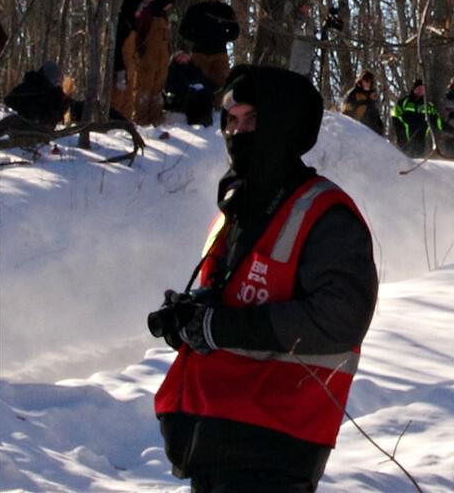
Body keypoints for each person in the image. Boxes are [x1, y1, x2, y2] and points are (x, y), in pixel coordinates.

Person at [150, 65, 378, 493]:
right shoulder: (236, 209)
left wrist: (220, 328)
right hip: (216, 435)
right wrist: (191, 319)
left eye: (252, 120)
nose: (238, 133)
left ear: (282, 124)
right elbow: (236, 300)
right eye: (231, 122)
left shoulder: (324, 213)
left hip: (275, 441)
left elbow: (339, 318)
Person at [179, 0, 240, 90]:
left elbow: (235, 31)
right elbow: (183, 30)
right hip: (199, 54)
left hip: (219, 54)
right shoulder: (195, 9)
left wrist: (222, 38)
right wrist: (197, 38)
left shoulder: (225, 10)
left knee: (222, 84)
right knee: (197, 84)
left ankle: (218, 106)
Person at [134, 0, 174, 126]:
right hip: (148, 57)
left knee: (157, 89)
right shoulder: (147, 13)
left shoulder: (163, 15)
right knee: (144, 89)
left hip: (162, 58)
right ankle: (141, 119)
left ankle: (155, 118)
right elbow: (138, 33)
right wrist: (139, 49)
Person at [4, 61, 69, 129]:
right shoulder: (32, 84)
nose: (56, 82)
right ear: (47, 76)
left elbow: (68, 106)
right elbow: (9, 99)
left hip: (43, 132)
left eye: (57, 80)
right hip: (22, 129)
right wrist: (32, 105)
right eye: (54, 79)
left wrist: (59, 111)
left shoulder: (56, 92)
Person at [111, 0, 143, 120]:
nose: (140, 12)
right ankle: (111, 126)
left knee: (128, 101)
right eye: (138, 9)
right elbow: (116, 49)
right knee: (116, 99)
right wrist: (119, 69)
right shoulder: (120, 24)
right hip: (119, 70)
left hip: (129, 70)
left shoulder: (132, 24)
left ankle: (125, 126)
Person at [391, 79, 442, 157]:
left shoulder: (429, 105)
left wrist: (451, 129)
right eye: (419, 88)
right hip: (405, 137)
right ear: (414, 89)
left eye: (422, 89)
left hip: (421, 138)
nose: (420, 91)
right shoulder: (405, 101)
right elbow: (395, 114)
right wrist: (400, 131)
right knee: (403, 156)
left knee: (418, 156)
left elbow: (437, 121)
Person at [164, 51, 213, 126]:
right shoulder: (171, 70)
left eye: (185, 56)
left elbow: (204, 81)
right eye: (180, 56)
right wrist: (187, 87)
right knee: (190, 94)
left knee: (206, 93)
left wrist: (201, 86)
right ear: (175, 59)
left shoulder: (196, 69)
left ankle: (206, 120)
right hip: (178, 98)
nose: (183, 58)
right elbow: (169, 86)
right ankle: (194, 121)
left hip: (198, 94)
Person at [341, 70, 383, 135]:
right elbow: (346, 112)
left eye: (370, 81)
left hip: (373, 131)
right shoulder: (353, 94)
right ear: (361, 81)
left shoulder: (372, 96)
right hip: (358, 128)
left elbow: (376, 115)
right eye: (366, 80)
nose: (367, 83)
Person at [289, 0, 317, 79]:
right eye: (306, 6)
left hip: (307, 61)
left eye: (309, 7)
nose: (308, 9)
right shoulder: (293, 19)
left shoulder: (310, 21)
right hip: (295, 60)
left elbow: (313, 36)